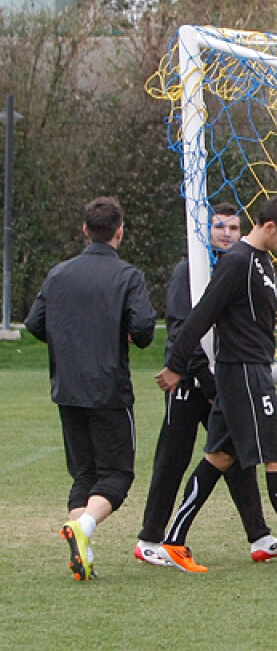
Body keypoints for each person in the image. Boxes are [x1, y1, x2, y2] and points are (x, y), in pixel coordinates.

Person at [154, 196, 277, 572]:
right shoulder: (237, 263)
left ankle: (173, 541)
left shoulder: (263, 263)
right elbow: (201, 317)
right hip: (243, 374)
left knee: (220, 458)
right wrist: (176, 365)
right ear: (268, 227)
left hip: (249, 371)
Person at [135, 203, 277, 567]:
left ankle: (260, 536)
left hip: (222, 382)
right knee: (172, 459)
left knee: (235, 458)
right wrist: (204, 380)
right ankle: (149, 538)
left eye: (233, 227)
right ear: (203, 232)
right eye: (219, 227)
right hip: (192, 385)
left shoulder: (241, 265)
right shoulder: (190, 271)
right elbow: (183, 327)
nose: (227, 233)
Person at [26, 197, 156, 581]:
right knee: (117, 474)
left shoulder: (58, 274)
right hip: (108, 389)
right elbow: (145, 330)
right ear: (119, 231)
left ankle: (81, 546)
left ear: (85, 230)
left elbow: (35, 324)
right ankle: (84, 529)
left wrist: (71, 340)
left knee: (84, 474)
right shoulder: (128, 275)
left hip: (67, 388)